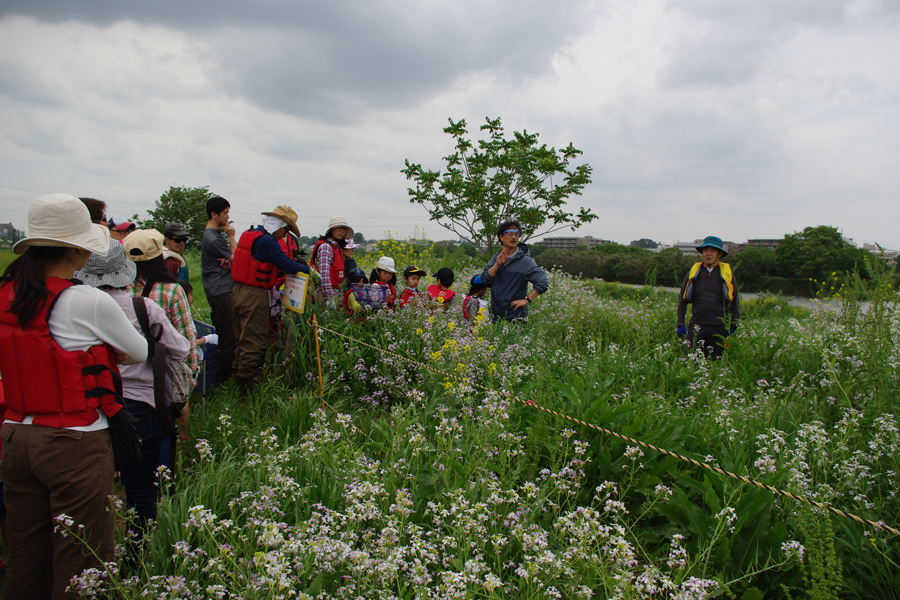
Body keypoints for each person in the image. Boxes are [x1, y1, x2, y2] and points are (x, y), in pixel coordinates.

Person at [0, 193, 148, 599]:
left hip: (14, 435)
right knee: (82, 559)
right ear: (80, 249)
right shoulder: (84, 299)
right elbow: (138, 351)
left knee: (26, 553)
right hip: (72, 440)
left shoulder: (7, 292)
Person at [79, 239, 190, 551]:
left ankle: (92, 553)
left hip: (91, 406)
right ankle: (137, 554)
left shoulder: (74, 305)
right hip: (140, 405)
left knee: (93, 487)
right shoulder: (143, 307)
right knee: (141, 488)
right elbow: (181, 349)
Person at [231, 206, 311, 391]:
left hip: (237, 291)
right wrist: (307, 270)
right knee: (255, 340)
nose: (285, 235)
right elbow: (283, 263)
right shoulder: (268, 241)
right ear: (280, 226)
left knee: (241, 337)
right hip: (254, 295)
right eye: (286, 230)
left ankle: (237, 374)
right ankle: (246, 386)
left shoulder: (249, 234)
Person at [676, 236, 740, 360]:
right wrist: (680, 324)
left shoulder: (727, 275)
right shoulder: (694, 273)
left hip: (719, 327)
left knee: (714, 363)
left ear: (719, 254)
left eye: (713, 251)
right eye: (705, 250)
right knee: (689, 361)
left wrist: (734, 326)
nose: (708, 254)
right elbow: (682, 300)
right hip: (696, 325)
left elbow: (735, 301)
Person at [481, 220, 549, 322]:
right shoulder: (496, 258)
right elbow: (485, 279)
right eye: (510, 234)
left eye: (516, 234)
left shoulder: (525, 261)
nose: (514, 237)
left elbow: (543, 282)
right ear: (501, 237)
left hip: (516, 317)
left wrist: (527, 299)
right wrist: (497, 264)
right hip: (497, 315)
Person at [201, 196, 236, 384]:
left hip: (217, 290)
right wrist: (231, 236)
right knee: (228, 335)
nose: (227, 217)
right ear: (214, 214)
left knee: (223, 332)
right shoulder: (214, 238)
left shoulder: (212, 236)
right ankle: (223, 378)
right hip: (222, 291)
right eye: (225, 213)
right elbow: (236, 259)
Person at [312, 216, 353, 304]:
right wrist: (329, 298)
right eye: (339, 227)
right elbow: (324, 275)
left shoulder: (337, 248)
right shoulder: (326, 247)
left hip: (337, 293)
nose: (342, 231)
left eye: (344, 228)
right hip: (326, 295)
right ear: (331, 229)